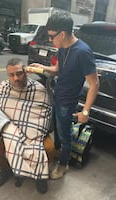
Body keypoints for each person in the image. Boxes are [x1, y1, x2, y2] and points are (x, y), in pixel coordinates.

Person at [30, 10, 99, 180]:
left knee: (65, 135)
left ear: (62, 33)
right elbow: (58, 70)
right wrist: (42, 67)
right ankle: (59, 154)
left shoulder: (83, 52)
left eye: (52, 36)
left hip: (68, 102)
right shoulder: (61, 48)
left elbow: (94, 83)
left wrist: (85, 112)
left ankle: (63, 165)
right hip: (57, 96)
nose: (50, 40)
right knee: (58, 133)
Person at [0, 58, 54, 193]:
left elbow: (44, 116)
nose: (16, 78)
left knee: (49, 149)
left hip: (33, 131)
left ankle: (40, 175)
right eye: (11, 75)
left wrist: (30, 135)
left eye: (19, 73)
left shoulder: (38, 89)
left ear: (26, 72)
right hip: (7, 129)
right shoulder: (3, 87)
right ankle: (6, 169)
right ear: (7, 75)